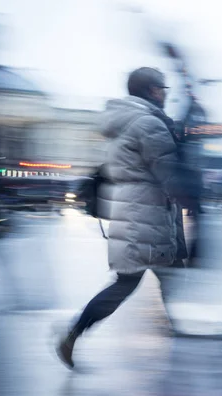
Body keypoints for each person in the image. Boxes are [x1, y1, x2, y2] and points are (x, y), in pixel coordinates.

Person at [56, 67, 181, 369]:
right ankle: (73, 335)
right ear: (152, 90)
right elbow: (169, 172)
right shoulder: (148, 123)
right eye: (163, 88)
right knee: (137, 281)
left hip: (131, 212)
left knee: (156, 277)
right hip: (147, 215)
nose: (166, 94)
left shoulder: (122, 122)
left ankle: (177, 338)